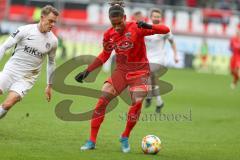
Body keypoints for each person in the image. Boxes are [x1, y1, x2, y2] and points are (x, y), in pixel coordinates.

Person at [75, 4, 170, 153]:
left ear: (125, 18)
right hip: (121, 72)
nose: (117, 27)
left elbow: (166, 30)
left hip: (140, 72)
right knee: (102, 101)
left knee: (137, 101)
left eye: (120, 23)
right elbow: (105, 55)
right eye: (114, 24)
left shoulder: (136, 27)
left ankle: (125, 136)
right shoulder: (108, 34)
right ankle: (92, 140)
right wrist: (88, 71)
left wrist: (148, 25)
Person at [0, 5, 59, 119]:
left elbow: (51, 62)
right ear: (42, 18)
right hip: (11, 71)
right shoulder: (24, 30)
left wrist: (49, 85)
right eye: (50, 21)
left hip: (27, 78)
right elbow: (4, 47)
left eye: (55, 22)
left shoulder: (53, 41)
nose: (52, 24)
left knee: (8, 104)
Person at [144, 8, 178, 113]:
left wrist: (175, 55)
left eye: (158, 16)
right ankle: (159, 102)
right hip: (147, 57)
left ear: (161, 18)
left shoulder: (164, 30)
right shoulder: (145, 27)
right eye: (154, 16)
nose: (156, 18)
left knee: (149, 75)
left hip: (159, 58)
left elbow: (172, 42)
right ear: (151, 17)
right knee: (153, 80)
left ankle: (149, 96)